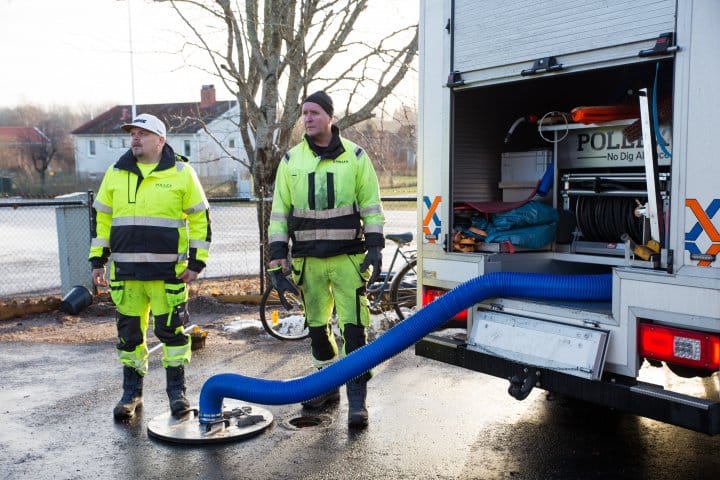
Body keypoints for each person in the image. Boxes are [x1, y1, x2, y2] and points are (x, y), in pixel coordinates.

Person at [267, 91, 385, 428]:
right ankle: (326, 386)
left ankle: (357, 398)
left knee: (354, 329)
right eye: (304, 113)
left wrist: (375, 247)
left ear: (330, 117)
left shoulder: (356, 157)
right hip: (309, 262)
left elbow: (371, 206)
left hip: (348, 258)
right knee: (317, 329)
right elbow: (279, 215)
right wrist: (277, 260)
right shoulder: (291, 161)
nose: (307, 118)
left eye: (315, 112)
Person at [89, 113, 211, 421]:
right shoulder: (115, 173)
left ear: (160, 140)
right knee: (129, 337)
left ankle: (177, 394)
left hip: (167, 276)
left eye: (142, 133)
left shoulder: (182, 173)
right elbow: (102, 220)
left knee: (173, 336)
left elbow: (200, 219)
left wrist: (197, 262)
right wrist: (97, 260)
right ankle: (132, 393)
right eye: (132, 133)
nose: (135, 138)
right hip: (127, 276)